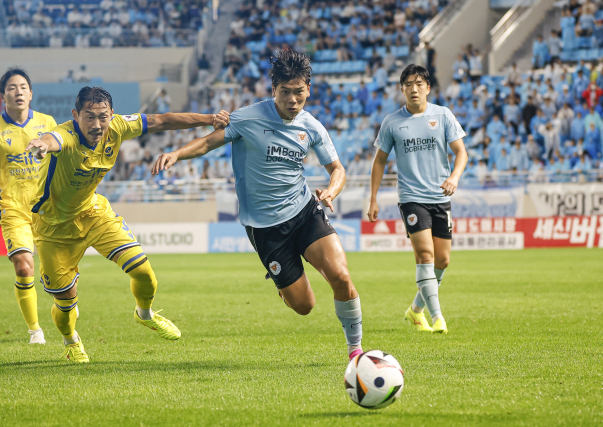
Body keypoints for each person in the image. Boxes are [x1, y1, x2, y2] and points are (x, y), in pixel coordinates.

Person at [152, 49, 365, 360]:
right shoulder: (248, 117)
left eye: (299, 93)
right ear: (273, 88)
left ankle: (356, 352)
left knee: (341, 276)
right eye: (286, 93)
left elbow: (338, 170)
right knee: (304, 306)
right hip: (265, 228)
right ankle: (283, 286)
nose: (293, 101)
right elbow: (209, 142)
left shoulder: (312, 127)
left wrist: (331, 192)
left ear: (309, 89)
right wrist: (177, 154)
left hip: (304, 211)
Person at [25, 87, 229, 362]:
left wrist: (209, 118)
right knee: (65, 300)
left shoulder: (118, 127)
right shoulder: (67, 136)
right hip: (53, 228)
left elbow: (162, 120)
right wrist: (42, 144)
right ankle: (71, 341)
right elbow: (53, 139)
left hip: (93, 213)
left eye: (103, 117)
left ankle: (145, 314)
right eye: (89, 117)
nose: (97, 124)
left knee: (144, 273)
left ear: (111, 115)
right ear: (75, 115)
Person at [368, 64, 468, 334]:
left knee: (442, 260)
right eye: (408, 84)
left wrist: (454, 178)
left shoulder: (443, 115)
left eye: (419, 83)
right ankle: (438, 318)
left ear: (428, 88)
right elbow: (379, 162)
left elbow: (461, 153)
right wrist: (373, 198)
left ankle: (415, 310)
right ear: (401, 89)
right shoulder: (392, 122)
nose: (414, 89)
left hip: (440, 195)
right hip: (411, 198)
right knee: (425, 254)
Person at [0, 67, 57, 344]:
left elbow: (63, 158)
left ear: (31, 94)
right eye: (12, 87)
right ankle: (35, 330)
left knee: (58, 271)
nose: (18, 91)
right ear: (2, 96)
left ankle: (65, 302)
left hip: (49, 208)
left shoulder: (48, 123)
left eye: (23, 87)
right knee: (23, 266)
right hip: (13, 210)